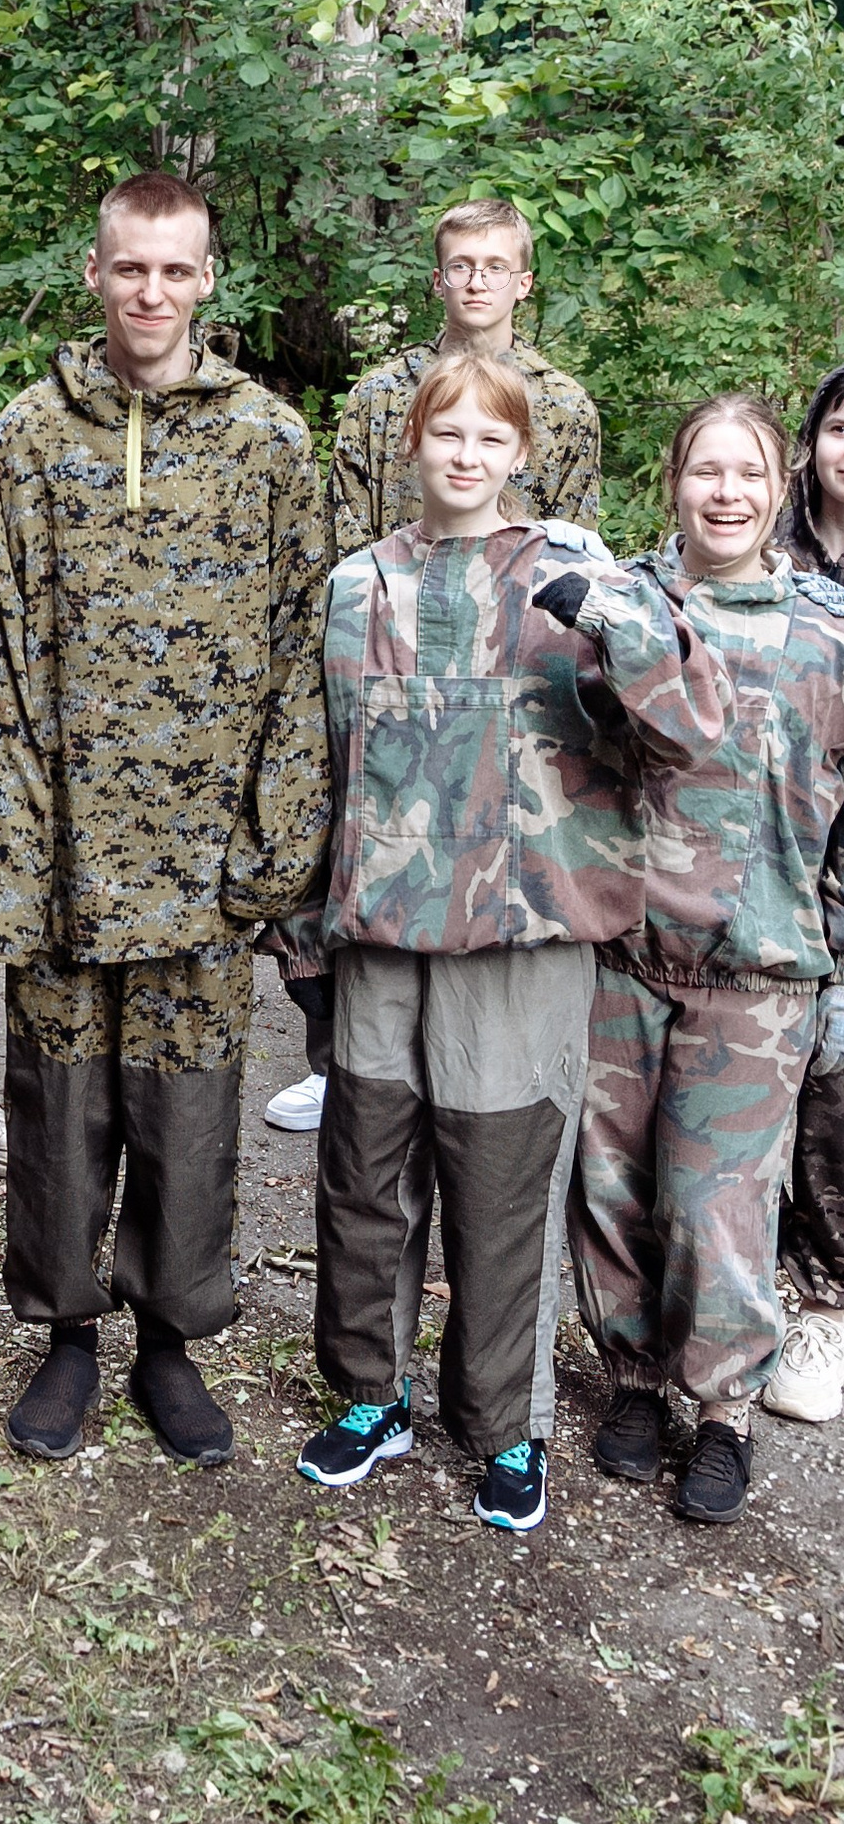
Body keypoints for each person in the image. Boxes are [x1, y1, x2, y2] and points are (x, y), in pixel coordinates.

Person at [296, 351, 726, 1534]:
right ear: (411, 443)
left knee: (501, 1188)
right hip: (381, 933)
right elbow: (319, 764)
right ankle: (370, 1394)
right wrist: (299, 931)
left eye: (491, 437)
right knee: (365, 1176)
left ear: (522, 452)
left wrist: (621, 623)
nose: (466, 455)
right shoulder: (358, 584)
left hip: (522, 935)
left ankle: (505, 1423)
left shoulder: (574, 577)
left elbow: (693, 736)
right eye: (446, 433)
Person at [0, 171, 330, 1468]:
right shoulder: (29, 434)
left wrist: (273, 847)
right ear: (94, 273)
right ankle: (66, 1332)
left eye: (176, 270)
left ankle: (171, 1339)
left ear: (208, 279)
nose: (152, 292)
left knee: (186, 1123)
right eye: (131, 267)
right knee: (58, 1118)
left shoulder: (268, 441)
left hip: (201, 867)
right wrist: (8, 856)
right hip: (67, 861)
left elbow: (298, 655)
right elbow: (0, 656)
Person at [568, 394, 844, 1521]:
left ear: (781, 485)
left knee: (717, 1205)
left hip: (760, 973)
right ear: (672, 480)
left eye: (748, 473)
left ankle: (723, 1408)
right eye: (704, 471)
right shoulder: (618, 609)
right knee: (612, 1185)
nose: (725, 494)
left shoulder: (827, 634)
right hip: (623, 958)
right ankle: (634, 1379)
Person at [283, 200, 606, 1136]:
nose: (476, 281)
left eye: (495, 266)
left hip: (505, 681)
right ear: (438, 277)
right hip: (391, 651)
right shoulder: (381, 398)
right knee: (375, 864)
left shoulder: (563, 404)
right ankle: (336, 1062)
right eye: (460, 264)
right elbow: (347, 539)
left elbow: (571, 555)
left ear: (523, 282)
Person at [769, 362, 844, 1425]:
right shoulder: (764, 557)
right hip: (769, 869)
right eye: (840, 427)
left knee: (836, 1094)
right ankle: (768, 1296)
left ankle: (827, 1300)